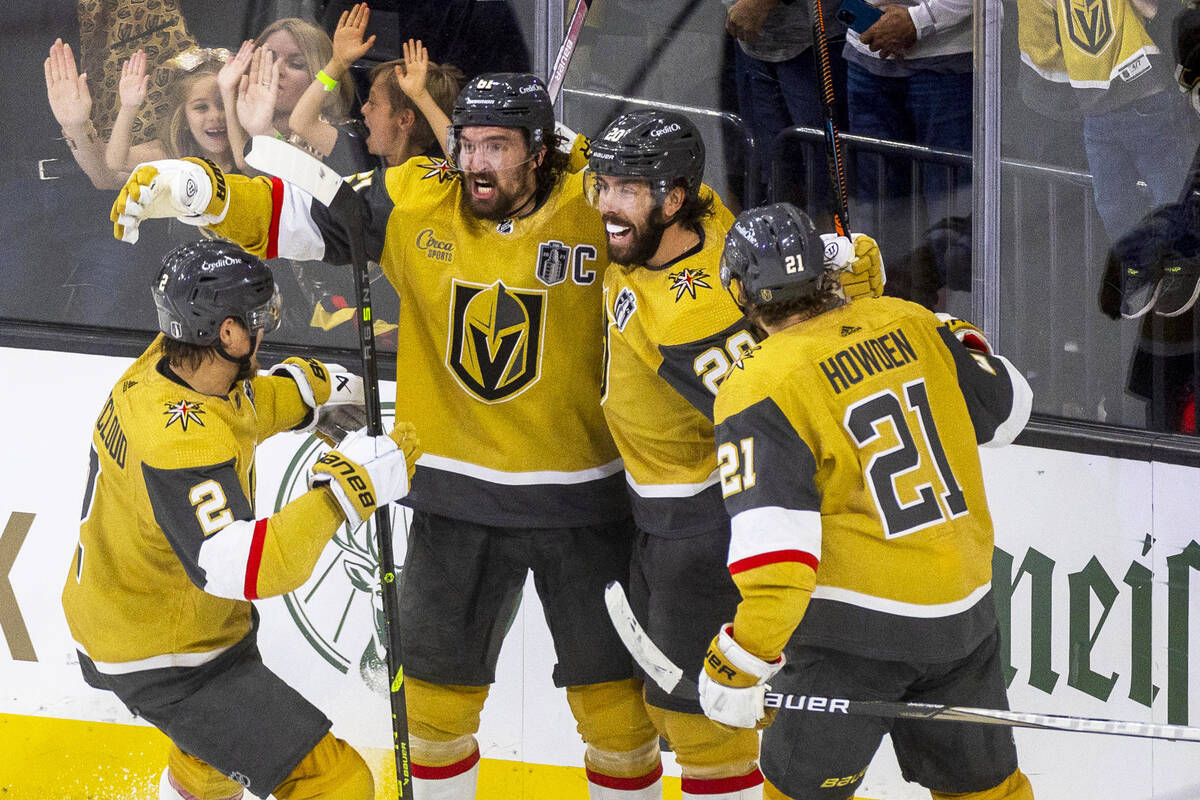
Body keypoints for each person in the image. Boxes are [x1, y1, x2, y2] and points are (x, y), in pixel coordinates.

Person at [110, 74, 665, 800]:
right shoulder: (418, 195)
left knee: (620, 721)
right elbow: (301, 219)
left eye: (497, 146)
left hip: (588, 502)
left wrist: (586, 153)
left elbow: (694, 224)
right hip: (450, 501)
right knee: (432, 715)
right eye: (467, 144)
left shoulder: (596, 202)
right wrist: (206, 194)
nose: (475, 163)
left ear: (538, 151)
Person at [587, 110, 884, 800]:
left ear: (673, 196)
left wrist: (849, 292)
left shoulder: (694, 318)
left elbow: (772, 406)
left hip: (700, 522)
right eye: (605, 184)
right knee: (674, 708)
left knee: (702, 728)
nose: (605, 204)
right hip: (657, 514)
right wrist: (834, 258)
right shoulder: (706, 214)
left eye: (627, 189)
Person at [60, 239, 421, 800]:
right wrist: (348, 489)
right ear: (225, 333)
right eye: (256, 318)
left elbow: (236, 404)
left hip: (137, 618)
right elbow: (249, 568)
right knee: (338, 783)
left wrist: (308, 392)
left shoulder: (171, 361)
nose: (265, 328)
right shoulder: (177, 440)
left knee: (213, 764)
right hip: (167, 657)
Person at [698, 202, 1035, 800]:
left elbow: (778, 564)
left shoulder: (757, 385)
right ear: (824, 271)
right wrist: (928, 322)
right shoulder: (909, 321)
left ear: (737, 290)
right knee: (990, 794)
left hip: (852, 641)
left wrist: (742, 657)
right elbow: (1010, 408)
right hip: (964, 619)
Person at [289, 6, 461, 168]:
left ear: (404, 120)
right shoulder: (362, 157)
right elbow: (301, 121)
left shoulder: (440, 172)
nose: (363, 109)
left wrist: (421, 96)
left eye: (372, 103)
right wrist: (337, 64)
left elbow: (463, 160)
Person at [220, 17, 370, 176]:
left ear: (317, 76)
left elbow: (308, 179)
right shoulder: (242, 121)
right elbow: (247, 165)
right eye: (270, 58)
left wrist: (263, 131)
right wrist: (227, 91)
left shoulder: (341, 134)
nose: (277, 69)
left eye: (296, 64)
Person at [106, 46, 237, 175]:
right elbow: (117, 162)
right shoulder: (173, 156)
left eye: (224, 104)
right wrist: (129, 107)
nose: (215, 115)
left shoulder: (249, 150)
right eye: (201, 107)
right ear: (184, 118)